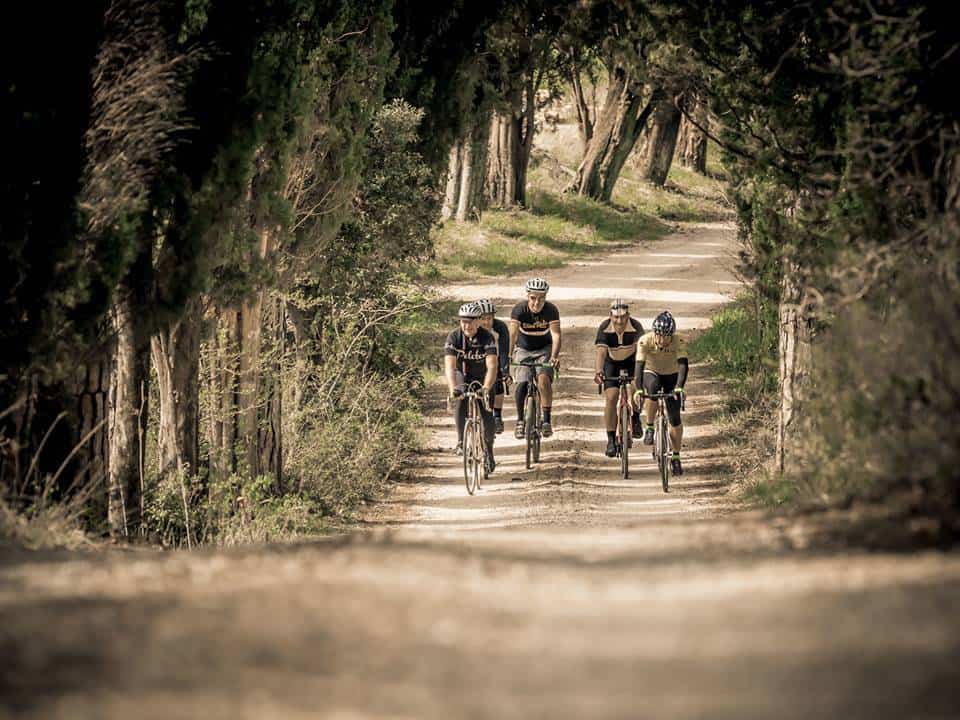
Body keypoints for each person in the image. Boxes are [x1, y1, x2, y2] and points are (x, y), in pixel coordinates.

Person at [444, 302, 498, 472]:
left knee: (488, 419)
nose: (466, 325)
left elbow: (492, 367)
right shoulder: (454, 337)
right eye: (463, 321)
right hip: (463, 375)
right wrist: (454, 389)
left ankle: (488, 451)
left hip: (483, 377)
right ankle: (461, 441)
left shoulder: (487, 337)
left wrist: (487, 388)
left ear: (478, 321)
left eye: (470, 321)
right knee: (460, 399)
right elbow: (450, 367)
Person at [633, 311, 689, 476]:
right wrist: (638, 390)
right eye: (659, 336)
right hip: (652, 372)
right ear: (654, 333)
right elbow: (639, 367)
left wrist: (679, 387)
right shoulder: (645, 341)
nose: (663, 340)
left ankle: (676, 456)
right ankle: (650, 427)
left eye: (667, 336)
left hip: (672, 375)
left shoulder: (678, 341)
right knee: (653, 390)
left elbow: (683, 366)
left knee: (675, 417)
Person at [508, 277, 561, 439]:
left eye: (541, 298)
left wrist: (554, 356)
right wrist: (509, 355)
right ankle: (520, 421)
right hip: (523, 350)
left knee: (543, 379)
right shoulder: (519, 310)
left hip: (544, 349)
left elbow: (556, 335)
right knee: (522, 383)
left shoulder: (551, 310)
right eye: (533, 298)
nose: (537, 303)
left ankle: (546, 420)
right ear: (527, 296)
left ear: (546, 297)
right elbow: (513, 334)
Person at [594, 299, 644, 458]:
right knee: (611, 397)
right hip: (612, 363)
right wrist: (598, 371)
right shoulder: (604, 328)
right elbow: (601, 353)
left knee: (637, 387)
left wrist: (643, 372)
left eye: (623, 317)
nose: (619, 320)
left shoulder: (636, 326)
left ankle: (635, 417)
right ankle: (610, 440)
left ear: (628, 315)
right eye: (616, 317)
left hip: (632, 362)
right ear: (610, 316)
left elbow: (642, 351)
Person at [476, 298, 511, 434]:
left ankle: (497, 416)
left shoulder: (500, 327)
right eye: (482, 318)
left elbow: (503, 351)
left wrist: (505, 371)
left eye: (489, 318)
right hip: (476, 360)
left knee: (498, 382)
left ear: (494, 318)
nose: (486, 322)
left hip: (494, 360)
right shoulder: (472, 328)